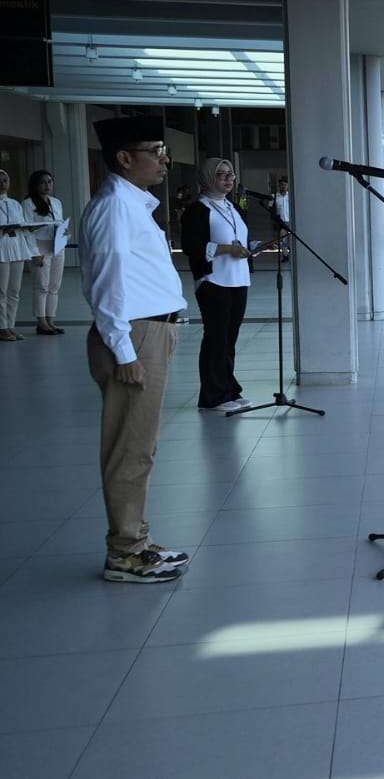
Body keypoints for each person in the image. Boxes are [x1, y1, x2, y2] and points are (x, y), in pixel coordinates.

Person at [81, 116, 191, 582]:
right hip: (134, 336)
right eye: (155, 150)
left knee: (140, 445)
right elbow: (106, 285)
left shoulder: (132, 204)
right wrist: (124, 352)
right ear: (125, 158)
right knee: (131, 448)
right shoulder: (112, 207)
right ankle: (125, 552)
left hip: (151, 332)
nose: (164, 160)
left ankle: (137, 539)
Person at [180, 158, 254, 412]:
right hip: (213, 281)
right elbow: (191, 247)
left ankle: (229, 389)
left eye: (231, 175)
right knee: (216, 338)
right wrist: (226, 249)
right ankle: (213, 396)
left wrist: (246, 249)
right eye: (222, 175)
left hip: (238, 279)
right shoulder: (198, 209)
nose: (228, 179)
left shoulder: (231, 207)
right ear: (208, 177)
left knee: (229, 340)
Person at [20, 170, 67, 336]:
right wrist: (34, 253)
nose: (47, 185)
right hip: (40, 247)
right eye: (43, 182)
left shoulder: (56, 202)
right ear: (35, 184)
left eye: (50, 182)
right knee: (41, 286)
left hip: (57, 246)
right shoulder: (28, 203)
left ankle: (51, 320)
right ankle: (41, 322)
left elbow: (59, 223)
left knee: (54, 286)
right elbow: (27, 230)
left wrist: (64, 233)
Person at [0, 168, 43, 342]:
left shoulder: (15, 204)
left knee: (14, 291)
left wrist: (28, 227)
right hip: (1, 248)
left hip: (16, 247)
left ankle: (10, 325)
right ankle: (1, 327)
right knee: (1, 291)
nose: (2, 183)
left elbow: (23, 226)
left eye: (5, 180)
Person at [272, 177, 292, 262]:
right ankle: (285, 256)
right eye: (281, 185)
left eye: (285, 185)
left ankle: (292, 255)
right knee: (283, 240)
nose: (283, 187)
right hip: (281, 222)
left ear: (287, 186)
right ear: (279, 186)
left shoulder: (290, 196)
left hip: (291, 221)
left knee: (292, 240)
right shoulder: (275, 196)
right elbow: (271, 208)